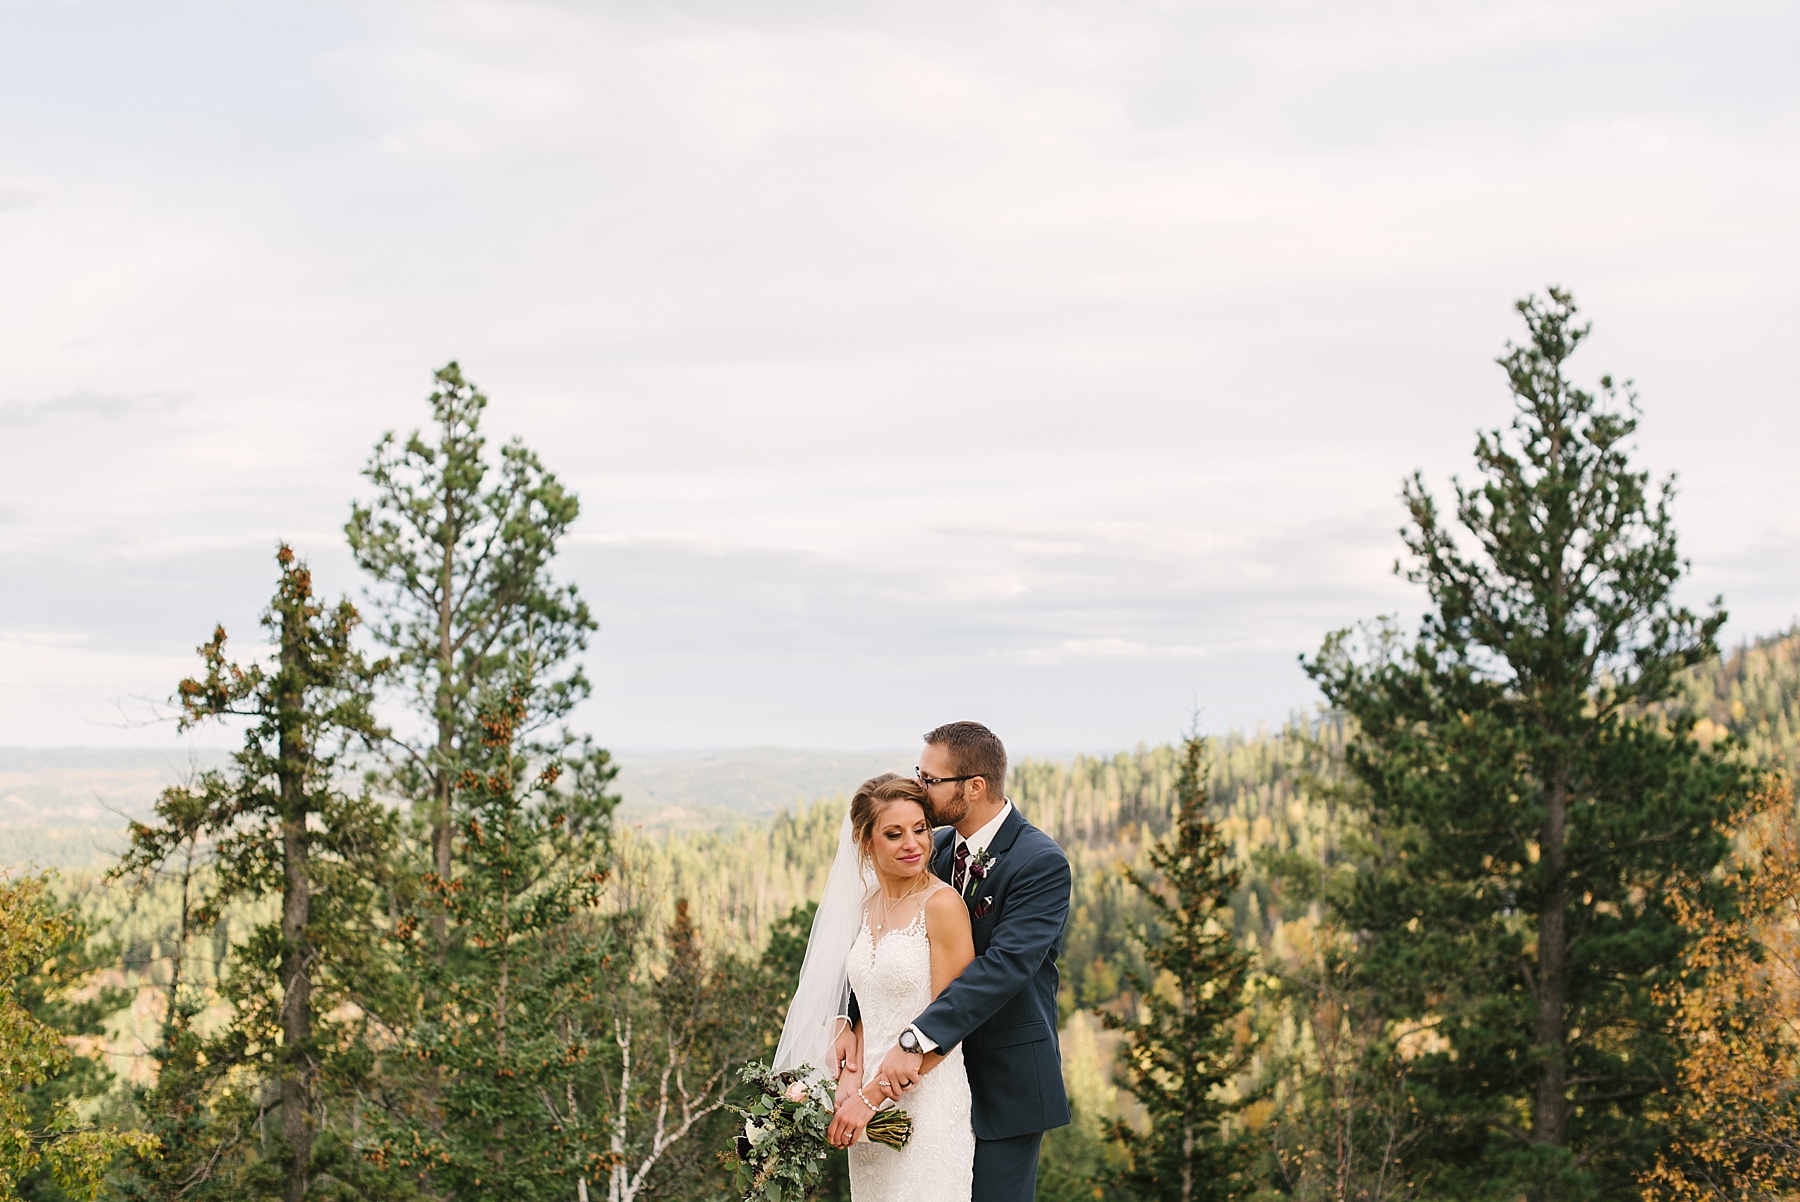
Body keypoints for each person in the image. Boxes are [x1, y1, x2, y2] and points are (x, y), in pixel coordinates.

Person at [829, 721, 1073, 1202]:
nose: (919, 788)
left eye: (929, 780)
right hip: (922, 1085)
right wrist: (847, 1017)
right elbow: (879, 946)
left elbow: (1002, 968)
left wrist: (913, 1042)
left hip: (1003, 1079)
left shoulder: (1039, 861)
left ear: (974, 787)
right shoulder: (932, 848)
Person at [772, 773, 977, 1201]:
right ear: (866, 843)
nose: (913, 844)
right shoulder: (866, 906)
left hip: (926, 1099)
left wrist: (870, 1097)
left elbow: (951, 1021)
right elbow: (873, 1001)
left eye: (920, 829)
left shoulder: (942, 906)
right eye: (894, 834)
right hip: (866, 1111)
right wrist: (849, 1069)